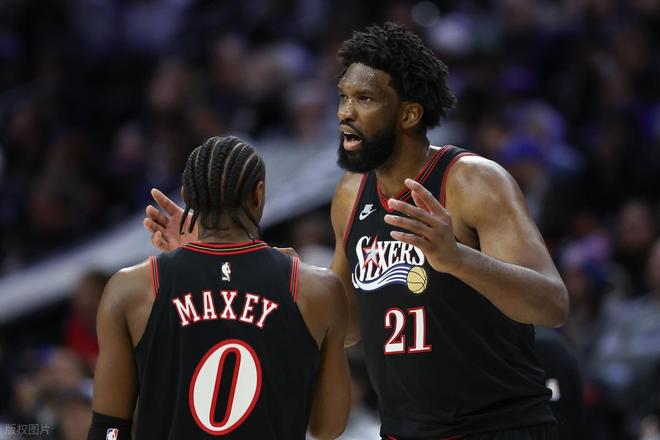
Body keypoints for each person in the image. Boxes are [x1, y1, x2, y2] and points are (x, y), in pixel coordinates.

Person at [144, 23, 569, 439]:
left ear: (409, 114)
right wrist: (223, 255)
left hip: (499, 426)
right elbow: (347, 326)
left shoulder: (473, 181)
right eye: (343, 97)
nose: (345, 112)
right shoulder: (351, 194)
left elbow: (552, 304)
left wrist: (458, 259)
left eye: (364, 98)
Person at [91, 136, 350, 439]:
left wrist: (196, 259)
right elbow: (327, 427)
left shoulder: (130, 289)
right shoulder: (316, 288)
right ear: (258, 195)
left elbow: (109, 429)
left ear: (186, 197)